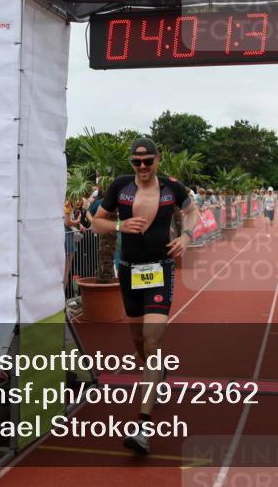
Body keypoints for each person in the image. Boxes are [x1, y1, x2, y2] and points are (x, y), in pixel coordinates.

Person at [90, 137, 199, 455]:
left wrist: (187, 236)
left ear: (157, 160)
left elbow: (192, 212)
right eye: (137, 162)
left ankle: (142, 425)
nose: (142, 167)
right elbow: (96, 222)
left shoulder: (171, 188)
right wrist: (120, 225)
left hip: (160, 270)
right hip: (128, 270)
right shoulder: (120, 187)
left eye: (147, 161)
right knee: (138, 341)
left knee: (152, 341)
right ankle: (159, 373)